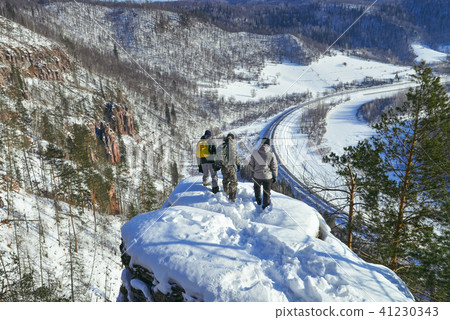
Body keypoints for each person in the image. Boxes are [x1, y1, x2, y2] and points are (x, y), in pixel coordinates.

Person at [249, 138, 278, 210]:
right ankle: (265, 205)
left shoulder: (255, 153)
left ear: (261, 144)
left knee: (257, 188)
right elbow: (274, 167)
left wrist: (255, 171)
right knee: (267, 191)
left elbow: (251, 165)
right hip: (267, 177)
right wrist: (274, 176)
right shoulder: (271, 154)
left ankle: (258, 201)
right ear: (269, 144)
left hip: (257, 176)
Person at [219, 133, 240, 202]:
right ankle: (232, 197)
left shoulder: (222, 145)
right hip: (230, 167)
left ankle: (226, 193)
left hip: (223, 167)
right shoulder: (232, 145)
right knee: (233, 182)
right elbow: (235, 156)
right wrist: (238, 165)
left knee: (225, 180)